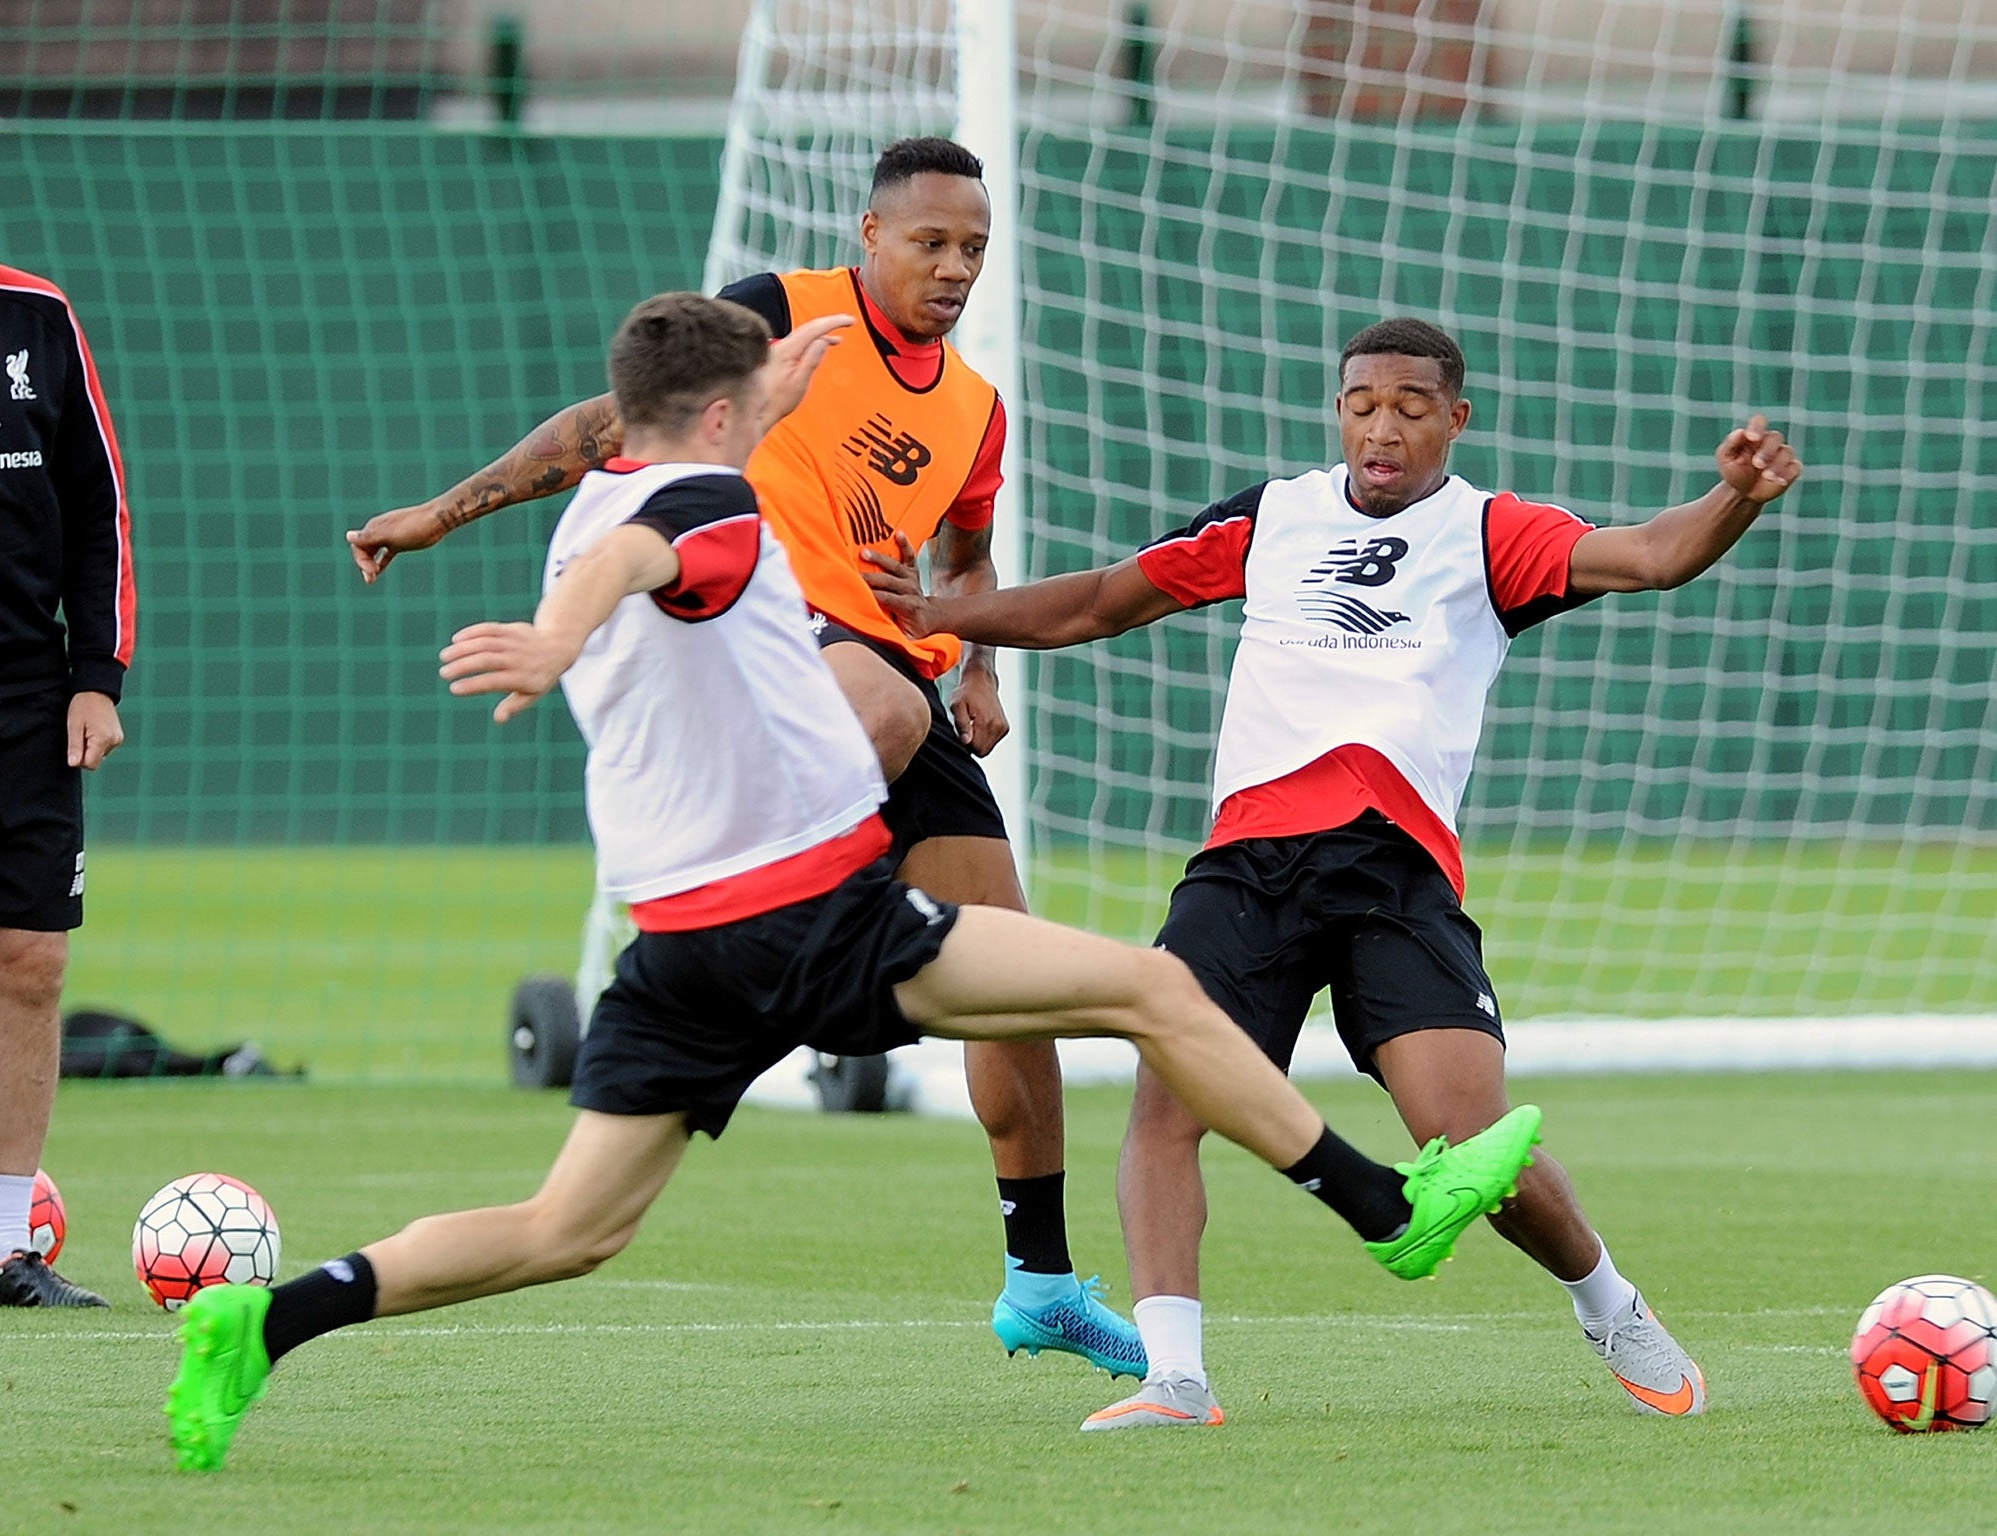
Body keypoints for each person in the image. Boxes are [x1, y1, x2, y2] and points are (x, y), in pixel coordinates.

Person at [164, 293, 1544, 1472]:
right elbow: (665, 553)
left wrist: (760, 392)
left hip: (678, 948)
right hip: (818, 919)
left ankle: (269, 1323)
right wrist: (548, 640)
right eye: (759, 399)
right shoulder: (701, 501)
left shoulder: (602, 485)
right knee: (1151, 987)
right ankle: (1387, 1209)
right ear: (718, 417)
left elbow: (637, 486)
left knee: (563, 1230)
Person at [866, 317, 1802, 1429]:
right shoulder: (1269, 518)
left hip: (1394, 878)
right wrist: (938, 616)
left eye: (1410, 405)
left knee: (1473, 1150)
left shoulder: (1492, 535)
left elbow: (1651, 555)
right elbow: (1099, 601)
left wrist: (1736, 497)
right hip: (1244, 872)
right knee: (1165, 1111)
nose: (1381, 426)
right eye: (1361, 402)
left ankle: (1608, 1304)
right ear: (1337, 409)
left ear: (1455, 418)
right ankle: (1175, 1379)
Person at [341, 139, 1145, 1374]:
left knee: (1021, 995)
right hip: (771, 644)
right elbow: (603, 425)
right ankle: (807, 934)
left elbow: (964, 565)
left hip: (894, 670)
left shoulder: (977, 410)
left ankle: (1037, 1277)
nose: (954, 267)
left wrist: (978, 664)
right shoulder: (779, 313)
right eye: (930, 241)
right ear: (868, 235)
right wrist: (441, 515)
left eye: (973, 248)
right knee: (873, 715)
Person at [0, 108, 132, 1308]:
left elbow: (98, 506)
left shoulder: (40, 320)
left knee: (29, 964)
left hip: (21, 702)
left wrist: (95, 679)